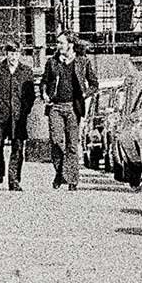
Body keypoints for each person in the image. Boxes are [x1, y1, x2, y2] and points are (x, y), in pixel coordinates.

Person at [0, 40, 38, 192]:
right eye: (11, 53)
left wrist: (25, 110)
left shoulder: (26, 71)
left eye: (16, 53)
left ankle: (14, 180)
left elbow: (30, 95)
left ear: (20, 54)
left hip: (18, 117)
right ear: (6, 54)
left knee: (17, 149)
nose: (13, 57)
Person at [40, 29, 91, 190]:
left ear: (70, 44)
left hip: (73, 108)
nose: (58, 45)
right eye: (58, 42)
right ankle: (60, 172)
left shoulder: (83, 61)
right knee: (56, 141)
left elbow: (94, 83)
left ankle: (71, 180)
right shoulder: (52, 62)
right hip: (55, 107)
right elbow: (44, 81)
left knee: (72, 145)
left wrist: (85, 93)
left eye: (61, 42)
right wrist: (44, 94)